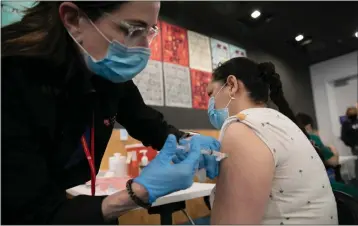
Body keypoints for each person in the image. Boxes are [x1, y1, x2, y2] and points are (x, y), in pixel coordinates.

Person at [1, 2, 220, 224]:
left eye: (150, 31)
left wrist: (186, 140)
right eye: (133, 29)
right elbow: (28, 212)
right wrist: (137, 193)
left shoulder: (105, 70)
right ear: (73, 19)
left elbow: (146, 122)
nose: (145, 48)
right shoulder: (11, 77)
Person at [204, 58, 337, 224]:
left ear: (231, 84)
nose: (210, 103)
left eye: (211, 93)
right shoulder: (283, 121)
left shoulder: (242, 127)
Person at [297, 113, 358, 198]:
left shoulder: (291, 141)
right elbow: (334, 161)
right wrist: (333, 149)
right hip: (322, 185)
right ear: (309, 127)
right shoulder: (313, 138)